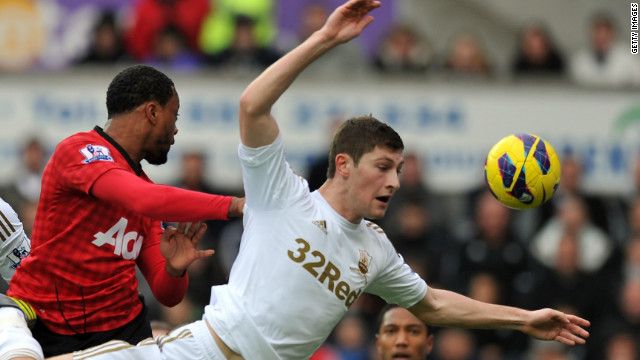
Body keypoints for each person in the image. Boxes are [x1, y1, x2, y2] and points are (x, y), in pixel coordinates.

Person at [47, 1, 588, 359]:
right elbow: (252, 103)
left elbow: (435, 305)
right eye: (384, 166)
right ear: (344, 165)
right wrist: (326, 38)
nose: (395, 182)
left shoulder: (375, 251)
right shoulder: (280, 192)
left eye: (399, 170)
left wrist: (523, 321)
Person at [4, 65, 244, 358]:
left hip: (122, 329)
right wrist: (235, 205)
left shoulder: (144, 189)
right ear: (153, 112)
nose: (176, 128)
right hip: (50, 326)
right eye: (175, 115)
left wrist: (175, 268)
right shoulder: (79, 150)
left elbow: (169, 295)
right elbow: (144, 199)